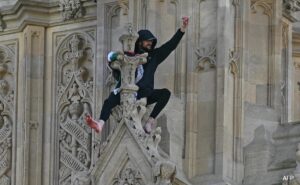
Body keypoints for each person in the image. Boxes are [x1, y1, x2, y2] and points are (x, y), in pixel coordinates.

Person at [86, 16, 189, 134]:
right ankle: (100, 124)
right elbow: (110, 57)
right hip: (127, 91)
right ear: (139, 41)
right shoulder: (129, 55)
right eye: (147, 41)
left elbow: (170, 46)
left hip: (144, 92)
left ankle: (150, 122)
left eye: (151, 41)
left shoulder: (154, 56)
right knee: (109, 101)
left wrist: (182, 29)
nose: (150, 43)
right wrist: (116, 57)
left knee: (165, 94)